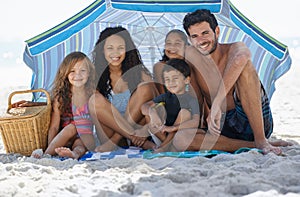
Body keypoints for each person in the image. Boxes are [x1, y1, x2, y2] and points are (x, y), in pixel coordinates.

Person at [172, 9, 290, 155]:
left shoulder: (235, 48)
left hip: (253, 121)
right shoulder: (190, 57)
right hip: (222, 126)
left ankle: (260, 139)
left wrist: (216, 104)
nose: (201, 40)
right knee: (181, 139)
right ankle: (253, 145)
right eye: (194, 36)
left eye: (205, 33)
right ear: (189, 39)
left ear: (217, 31)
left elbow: (242, 57)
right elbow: (196, 99)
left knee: (245, 66)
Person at [89, 26, 159, 152]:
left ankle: (122, 138)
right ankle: (125, 138)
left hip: (137, 133)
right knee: (94, 100)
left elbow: (158, 106)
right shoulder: (95, 77)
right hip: (109, 135)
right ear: (102, 51)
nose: (115, 53)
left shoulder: (140, 74)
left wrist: (144, 129)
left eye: (120, 48)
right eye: (110, 48)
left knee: (146, 88)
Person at [31, 51, 96, 159]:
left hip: (85, 137)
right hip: (65, 137)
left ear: (89, 73)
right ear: (65, 73)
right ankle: (47, 154)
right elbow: (54, 127)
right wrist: (51, 146)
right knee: (72, 127)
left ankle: (74, 154)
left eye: (83, 70)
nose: (78, 75)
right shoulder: (61, 97)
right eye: (72, 71)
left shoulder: (91, 94)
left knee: (80, 146)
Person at [140, 58, 200, 152]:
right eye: (167, 79)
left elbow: (195, 122)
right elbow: (144, 107)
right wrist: (152, 112)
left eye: (175, 78)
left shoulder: (191, 100)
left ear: (186, 80)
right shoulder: (165, 97)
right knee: (150, 111)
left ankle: (164, 147)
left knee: (185, 113)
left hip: (178, 137)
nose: (170, 82)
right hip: (162, 135)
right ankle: (167, 146)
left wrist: (172, 128)